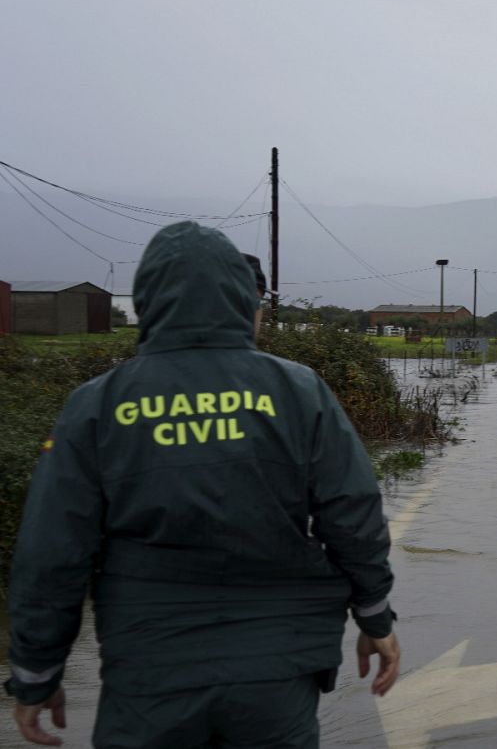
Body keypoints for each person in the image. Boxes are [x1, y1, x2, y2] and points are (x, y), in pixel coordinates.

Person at [6, 221, 400, 748]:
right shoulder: (298, 391)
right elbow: (353, 514)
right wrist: (375, 616)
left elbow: (52, 552)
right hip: (276, 670)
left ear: (147, 300)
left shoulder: (97, 405)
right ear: (243, 299)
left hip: (149, 673)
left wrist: (36, 673)